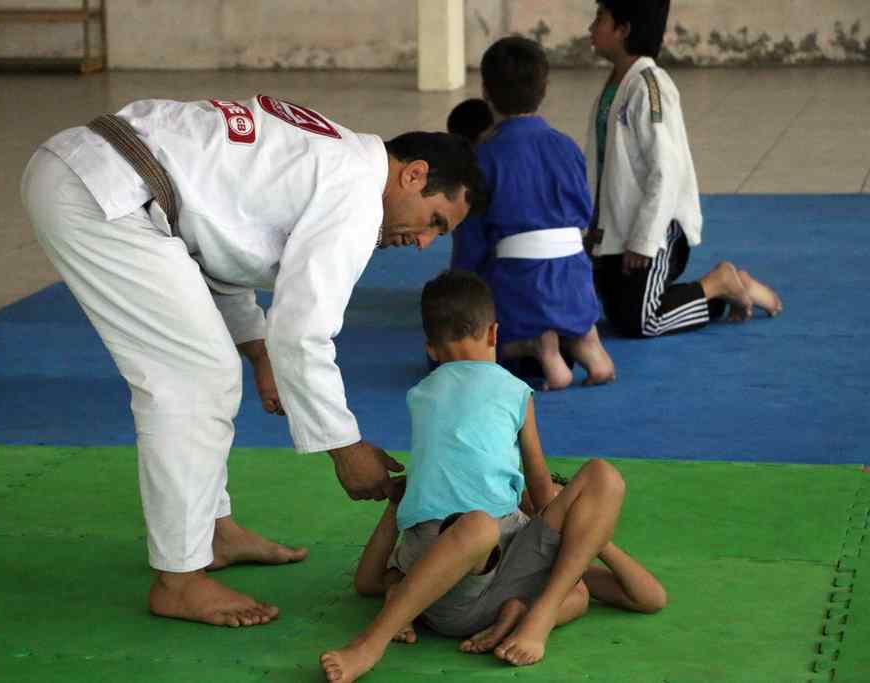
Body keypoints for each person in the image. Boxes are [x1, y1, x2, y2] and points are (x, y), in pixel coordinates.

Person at [21, 95, 482, 628]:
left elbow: (216, 244)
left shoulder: (335, 158)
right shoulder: (357, 192)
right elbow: (304, 330)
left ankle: (213, 532)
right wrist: (345, 447)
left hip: (100, 177)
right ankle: (178, 581)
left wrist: (257, 349)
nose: (424, 242)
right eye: (436, 222)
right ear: (414, 175)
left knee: (208, 370)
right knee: (193, 379)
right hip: (101, 193)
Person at [320, 271, 662, 682]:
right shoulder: (515, 391)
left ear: (430, 348)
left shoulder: (421, 394)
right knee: (484, 522)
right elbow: (538, 485)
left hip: (486, 583)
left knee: (592, 500)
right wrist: (557, 509)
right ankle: (370, 643)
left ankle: (536, 616)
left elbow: (650, 597)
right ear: (494, 332)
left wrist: (582, 531)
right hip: (449, 578)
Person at [586, 0, 782, 338]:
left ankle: (718, 281)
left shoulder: (650, 86)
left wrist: (645, 239)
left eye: (600, 18)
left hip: (659, 230)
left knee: (643, 320)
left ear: (624, 29)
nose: (591, 27)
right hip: (616, 230)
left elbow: (667, 170)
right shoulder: (616, 84)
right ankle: (729, 291)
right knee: (621, 314)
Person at [451, 38, 615, 390]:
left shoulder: (485, 158)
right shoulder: (566, 146)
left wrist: (460, 294)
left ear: (485, 91)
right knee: (573, 320)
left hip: (520, 290)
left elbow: (471, 245)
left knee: (451, 352)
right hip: (577, 285)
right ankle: (589, 347)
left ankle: (542, 351)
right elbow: (584, 215)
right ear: (545, 88)